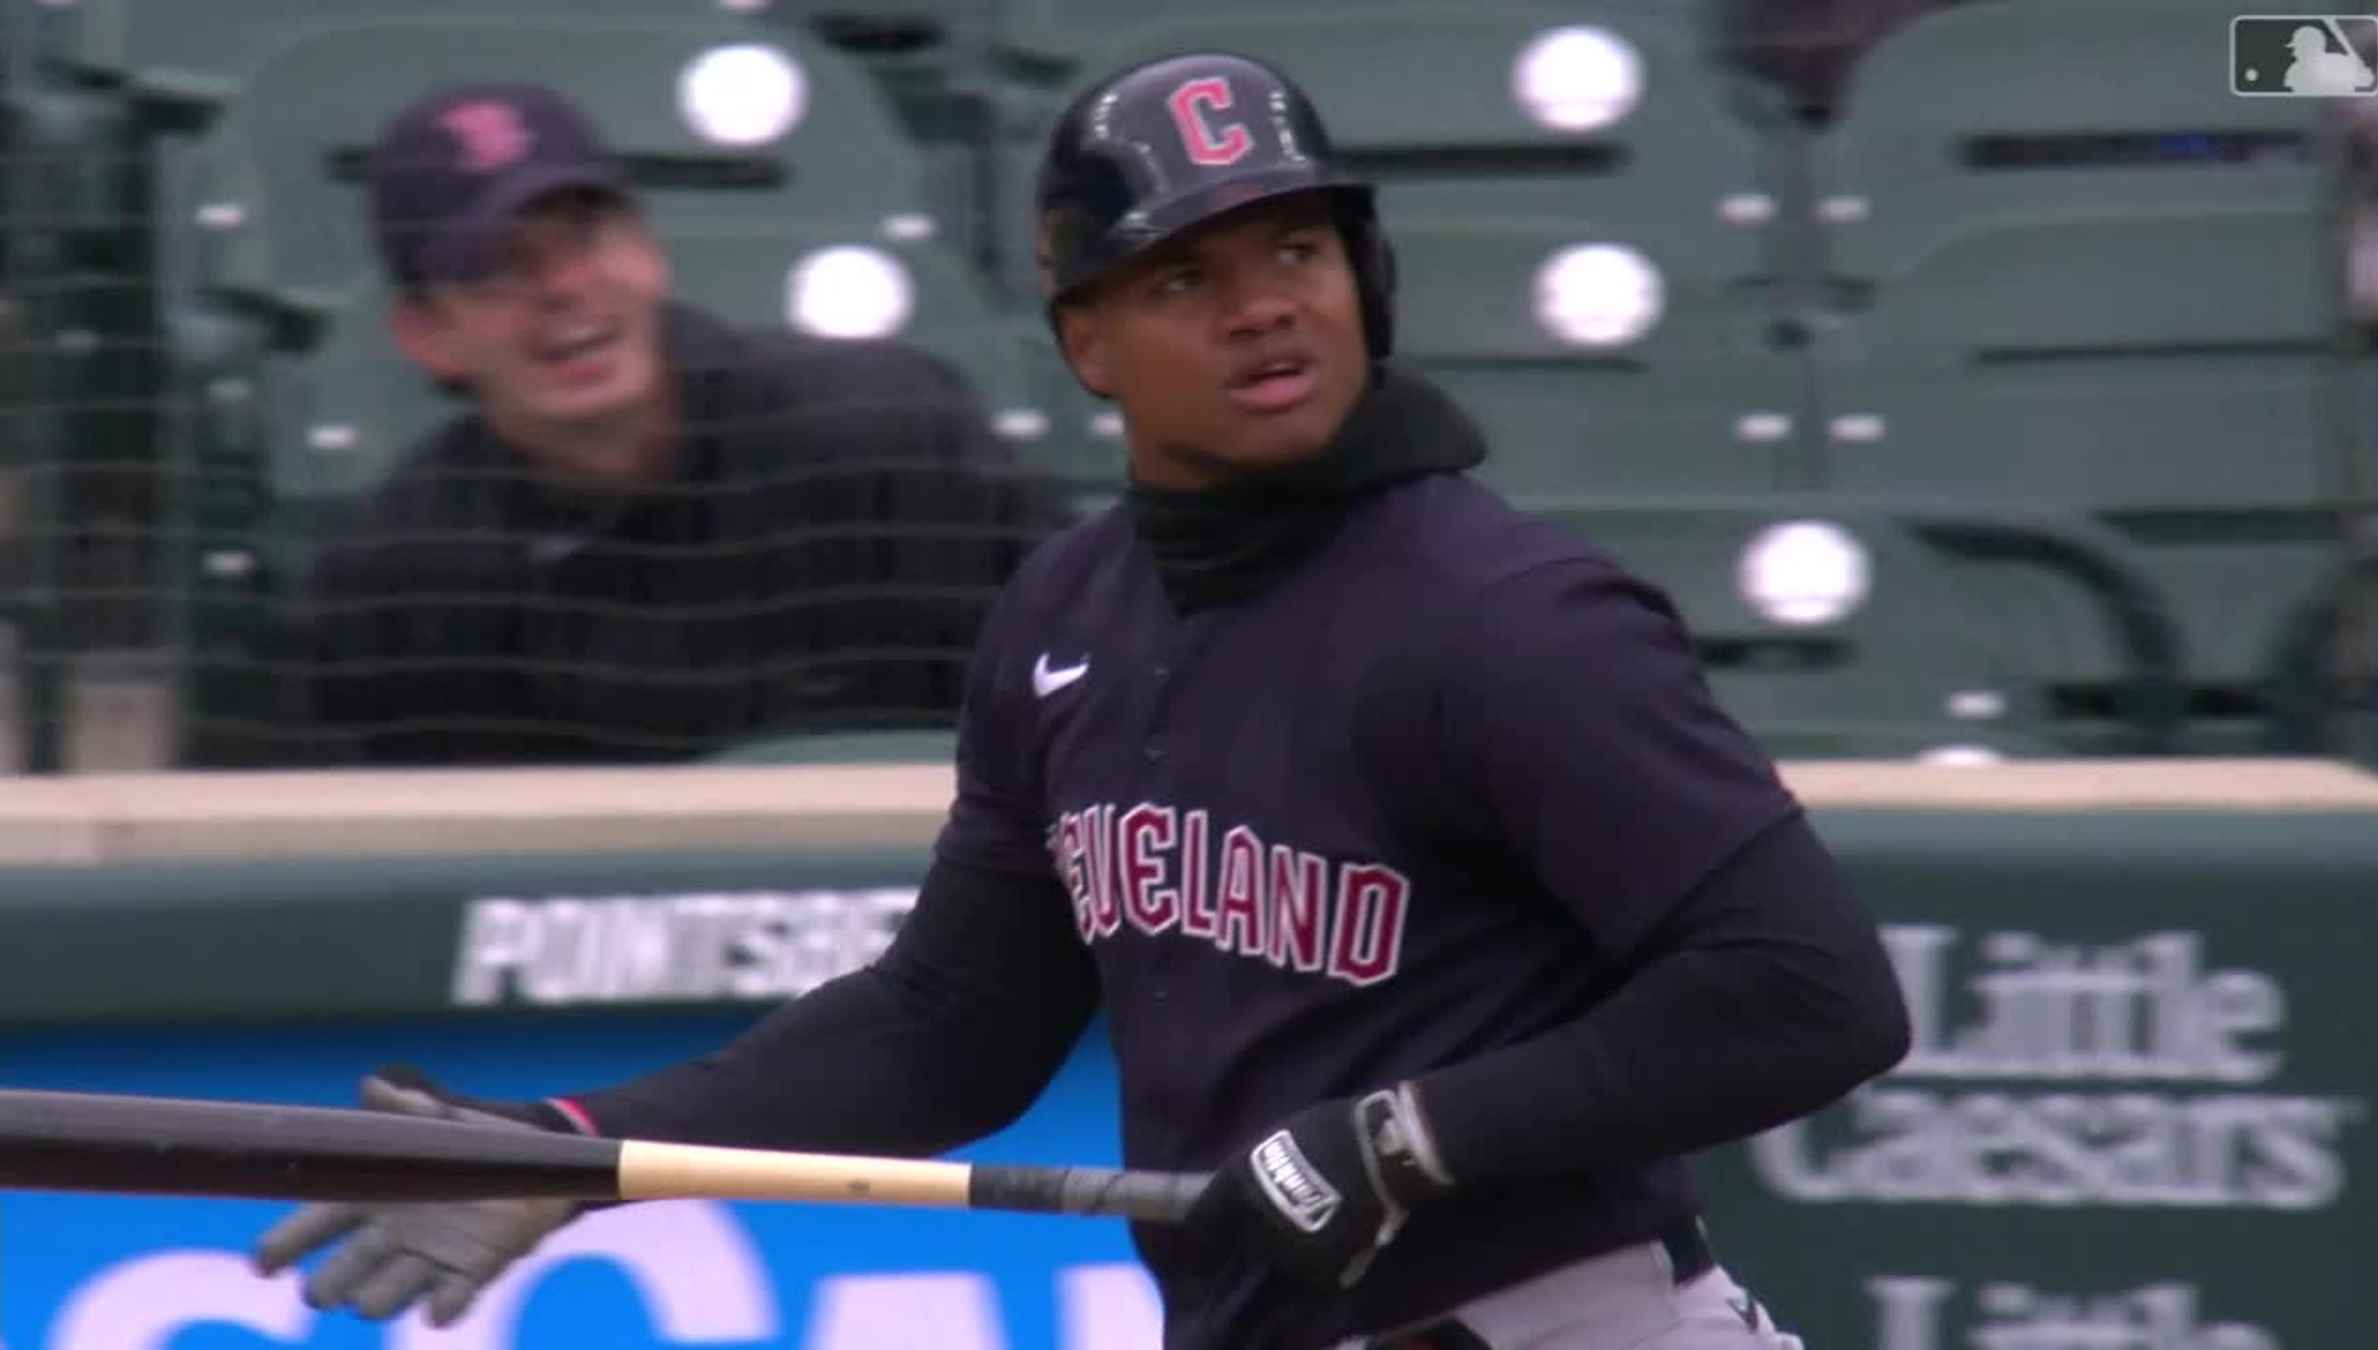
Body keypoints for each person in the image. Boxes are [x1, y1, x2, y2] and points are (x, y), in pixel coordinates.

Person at [251, 53, 1911, 1348]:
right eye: (1184, 276)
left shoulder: (1510, 617)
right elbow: (945, 1033)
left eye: (1294, 246)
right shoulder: (1066, 616)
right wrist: (568, 1151)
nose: (1262, 300)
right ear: (1089, 343)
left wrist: (1401, 1139)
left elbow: (1811, 994)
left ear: (1364, 277)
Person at [288, 81, 1062, 765]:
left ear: (649, 253)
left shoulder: (886, 437)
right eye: (497, 265)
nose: (561, 287)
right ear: (426, 334)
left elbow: (1098, 689)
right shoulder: (400, 582)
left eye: (584, 236)